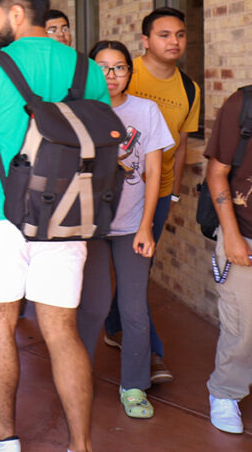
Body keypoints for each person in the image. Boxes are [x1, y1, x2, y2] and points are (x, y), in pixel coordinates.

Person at [0, 0, 108, 452]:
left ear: (15, 14)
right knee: (62, 330)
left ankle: (4, 438)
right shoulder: (87, 70)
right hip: (68, 216)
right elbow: (102, 146)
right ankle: (80, 446)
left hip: (2, 216)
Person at [76, 41, 173, 420]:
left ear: (129, 73)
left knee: (134, 310)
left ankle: (134, 385)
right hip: (92, 227)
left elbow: (152, 174)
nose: (111, 76)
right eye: (103, 67)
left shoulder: (146, 111)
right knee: (92, 307)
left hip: (133, 225)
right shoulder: (82, 112)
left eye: (119, 68)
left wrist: (147, 226)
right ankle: (78, 376)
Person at [105, 6, 200, 383]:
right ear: (145, 41)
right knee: (128, 278)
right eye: (164, 35)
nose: (173, 41)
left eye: (179, 34)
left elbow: (181, 145)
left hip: (153, 197)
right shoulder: (125, 73)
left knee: (136, 274)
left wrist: (171, 197)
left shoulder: (188, 88)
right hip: (107, 196)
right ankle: (153, 352)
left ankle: (118, 329)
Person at [204, 14, 252, 435]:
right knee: (244, 330)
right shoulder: (248, 102)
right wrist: (231, 236)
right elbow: (217, 173)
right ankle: (225, 393)